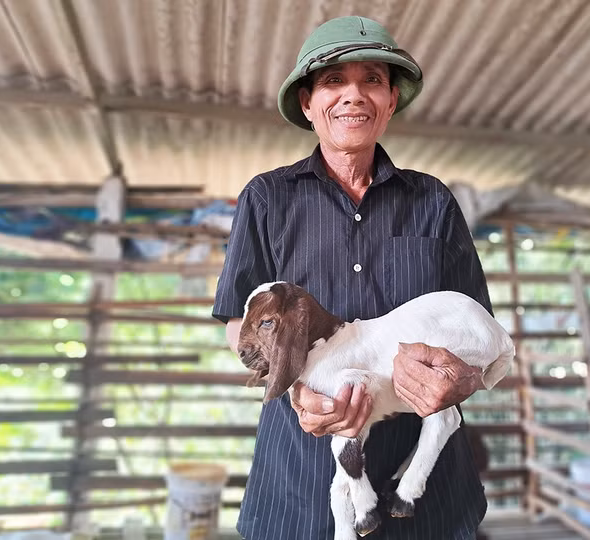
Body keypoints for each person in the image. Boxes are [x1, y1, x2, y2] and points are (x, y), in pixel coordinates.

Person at [213, 15, 492, 540]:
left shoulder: (432, 200)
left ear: (390, 101)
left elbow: (479, 325)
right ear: (307, 103)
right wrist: (299, 392)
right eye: (333, 81)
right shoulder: (268, 198)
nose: (353, 95)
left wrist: (465, 380)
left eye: (372, 80)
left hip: (427, 483)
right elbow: (237, 322)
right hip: (301, 477)